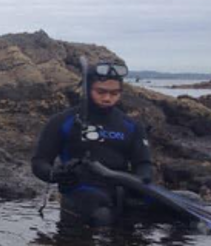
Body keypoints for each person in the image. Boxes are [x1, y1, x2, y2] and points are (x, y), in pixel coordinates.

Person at [31, 61, 152, 225]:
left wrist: (141, 181)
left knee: (188, 201)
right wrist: (55, 174)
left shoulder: (131, 126)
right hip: (81, 189)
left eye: (114, 93)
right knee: (102, 215)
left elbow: (143, 164)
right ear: (87, 89)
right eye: (101, 92)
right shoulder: (62, 122)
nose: (107, 98)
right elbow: (39, 162)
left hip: (122, 187)